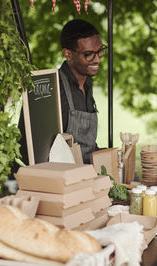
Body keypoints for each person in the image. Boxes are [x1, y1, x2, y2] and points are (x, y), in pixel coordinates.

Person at [59, 19, 107, 163]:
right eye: (89, 54)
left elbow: (87, 146)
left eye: (100, 52)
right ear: (68, 54)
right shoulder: (55, 90)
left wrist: (103, 154)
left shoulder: (87, 84)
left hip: (89, 173)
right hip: (65, 177)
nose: (97, 59)